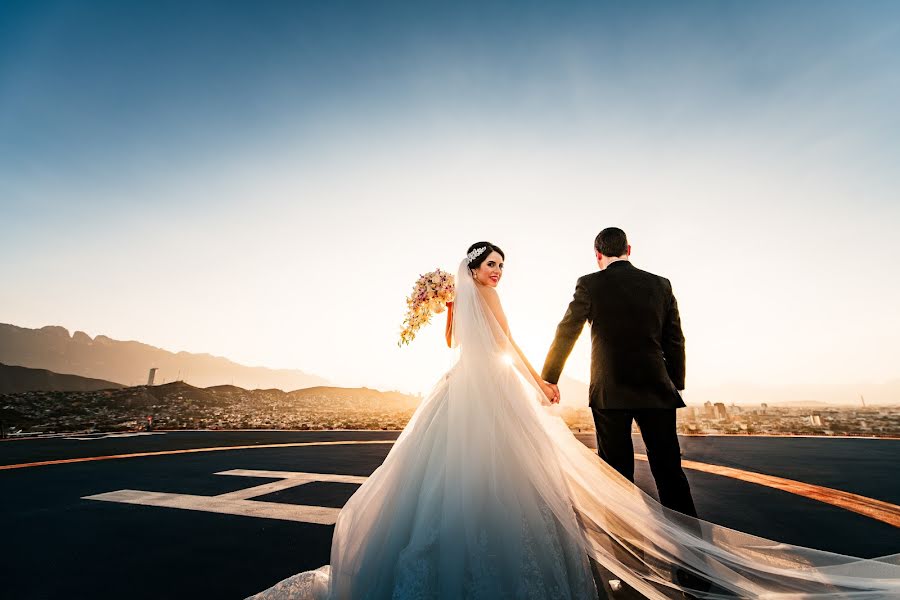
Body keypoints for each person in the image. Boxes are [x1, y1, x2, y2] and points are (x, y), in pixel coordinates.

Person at [247, 241, 900, 600]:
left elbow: (539, 335)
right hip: (617, 388)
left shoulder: (563, 291)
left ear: (596, 255)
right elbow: (522, 344)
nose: (498, 274)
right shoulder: (654, 284)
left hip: (539, 391)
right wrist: (548, 378)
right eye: (491, 266)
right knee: (639, 476)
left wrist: (534, 366)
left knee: (487, 477)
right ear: (473, 269)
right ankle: (676, 554)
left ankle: (639, 547)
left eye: (501, 266)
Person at [542, 227, 697, 519]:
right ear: (629, 249)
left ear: (597, 255)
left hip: (609, 390)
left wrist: (549, 378)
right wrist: (674, 381)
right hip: (657, 389)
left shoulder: (589, 284)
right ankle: (690, 556)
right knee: (669, 472)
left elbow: (567, 332)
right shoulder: (660, 285)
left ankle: (626, 549)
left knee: (615, 475)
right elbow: (675, 338)